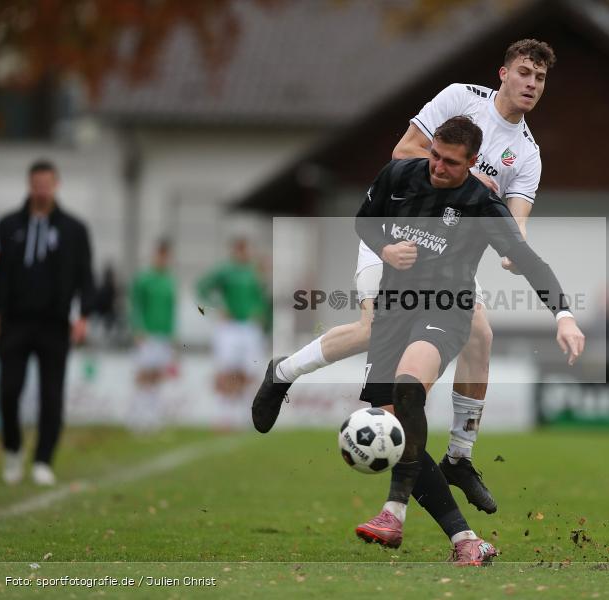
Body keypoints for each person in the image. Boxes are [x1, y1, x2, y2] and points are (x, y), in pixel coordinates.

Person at [253, 39, 556, 514]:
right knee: (374, 328)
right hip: (397, 236)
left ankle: (459, 457)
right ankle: (284, 372)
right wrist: (470, 180)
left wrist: (515, 254)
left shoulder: (528, 154)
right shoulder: (460, 98)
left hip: (448, 257)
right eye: (524, 72)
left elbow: (516, 223)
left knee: (481, 334)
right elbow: (403, 151)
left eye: (539, 77)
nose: (531, 83)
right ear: (503, 73)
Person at [348, 116, 584, 565]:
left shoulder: (483, 205)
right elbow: (365, 222)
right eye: (435, 156)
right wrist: (385, 249)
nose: (438, 167)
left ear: (473, 161)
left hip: (446, 309)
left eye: (451, 162)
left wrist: (564, 316)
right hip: (393, 311)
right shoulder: (400, 173)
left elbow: (530, 262)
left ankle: (392, 512)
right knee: (397, 429)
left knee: (408, 389)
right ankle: (465, 540)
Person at [0, 159, 95, 486]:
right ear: (29, 186)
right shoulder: (8, 225)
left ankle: (43, 460)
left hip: (54, 323)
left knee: (52, 394)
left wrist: (84, 315)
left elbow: (85, 275)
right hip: (15, 322)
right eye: (36, 185)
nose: (41, 191)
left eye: (46, 185)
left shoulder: (74, 229)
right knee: (8, 390)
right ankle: (12, 449)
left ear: (56, 185)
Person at [197, 237, 267, 428]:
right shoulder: (225, 271)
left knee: (247, 372)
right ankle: (223, 414)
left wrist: (259, 312)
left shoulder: (254, 271)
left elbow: (260, 297)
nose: (243, 253)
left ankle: (245, 414)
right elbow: (202, 288)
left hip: (249, 327)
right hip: (229, 327)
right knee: (226, 371)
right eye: (240, 249)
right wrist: (217, 307)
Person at [129, 239, 177, 432]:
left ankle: (152, 414)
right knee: (144, 374)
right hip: (147, 334)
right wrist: (137, 327)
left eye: (166, 256)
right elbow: (135, 305)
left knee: (157, 375)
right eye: (160, 255)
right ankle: (137, 414)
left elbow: (171, 310)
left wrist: (172, 333)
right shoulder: (144, 279)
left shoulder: (169, 281)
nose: (163, 259)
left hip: (163, 334)